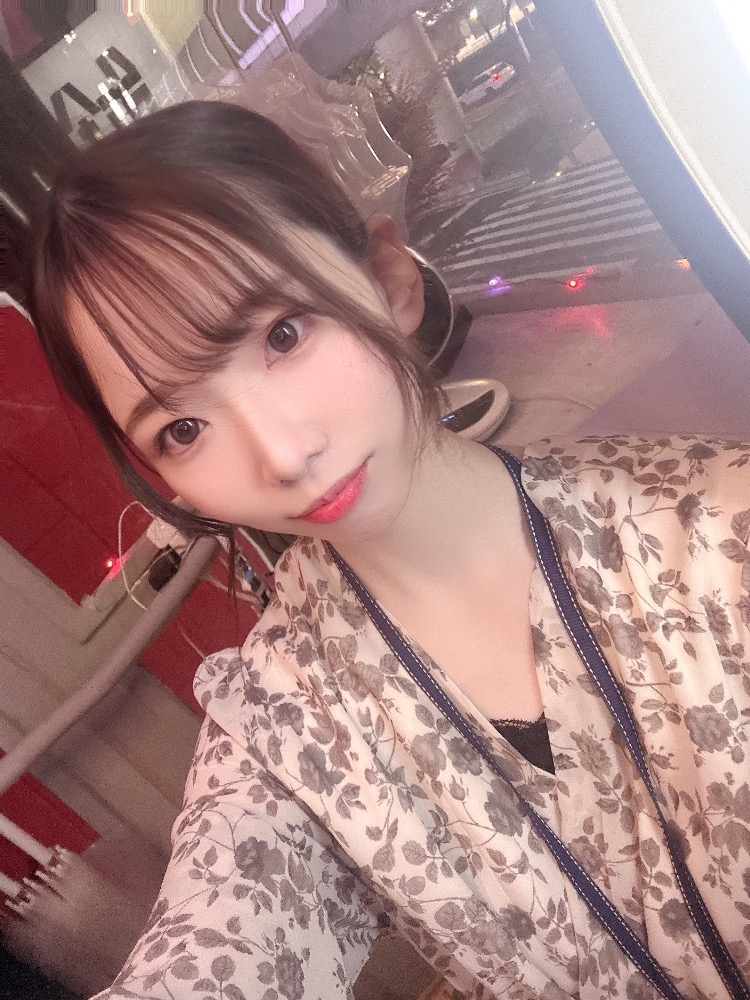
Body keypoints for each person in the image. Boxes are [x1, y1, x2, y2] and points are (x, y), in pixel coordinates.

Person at [27, 101, 750, 1000]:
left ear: (388, 280)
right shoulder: (281, 728)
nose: (281, 454)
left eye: (282, 335)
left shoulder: (711, 524)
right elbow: (215, 949)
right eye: (182, 428)